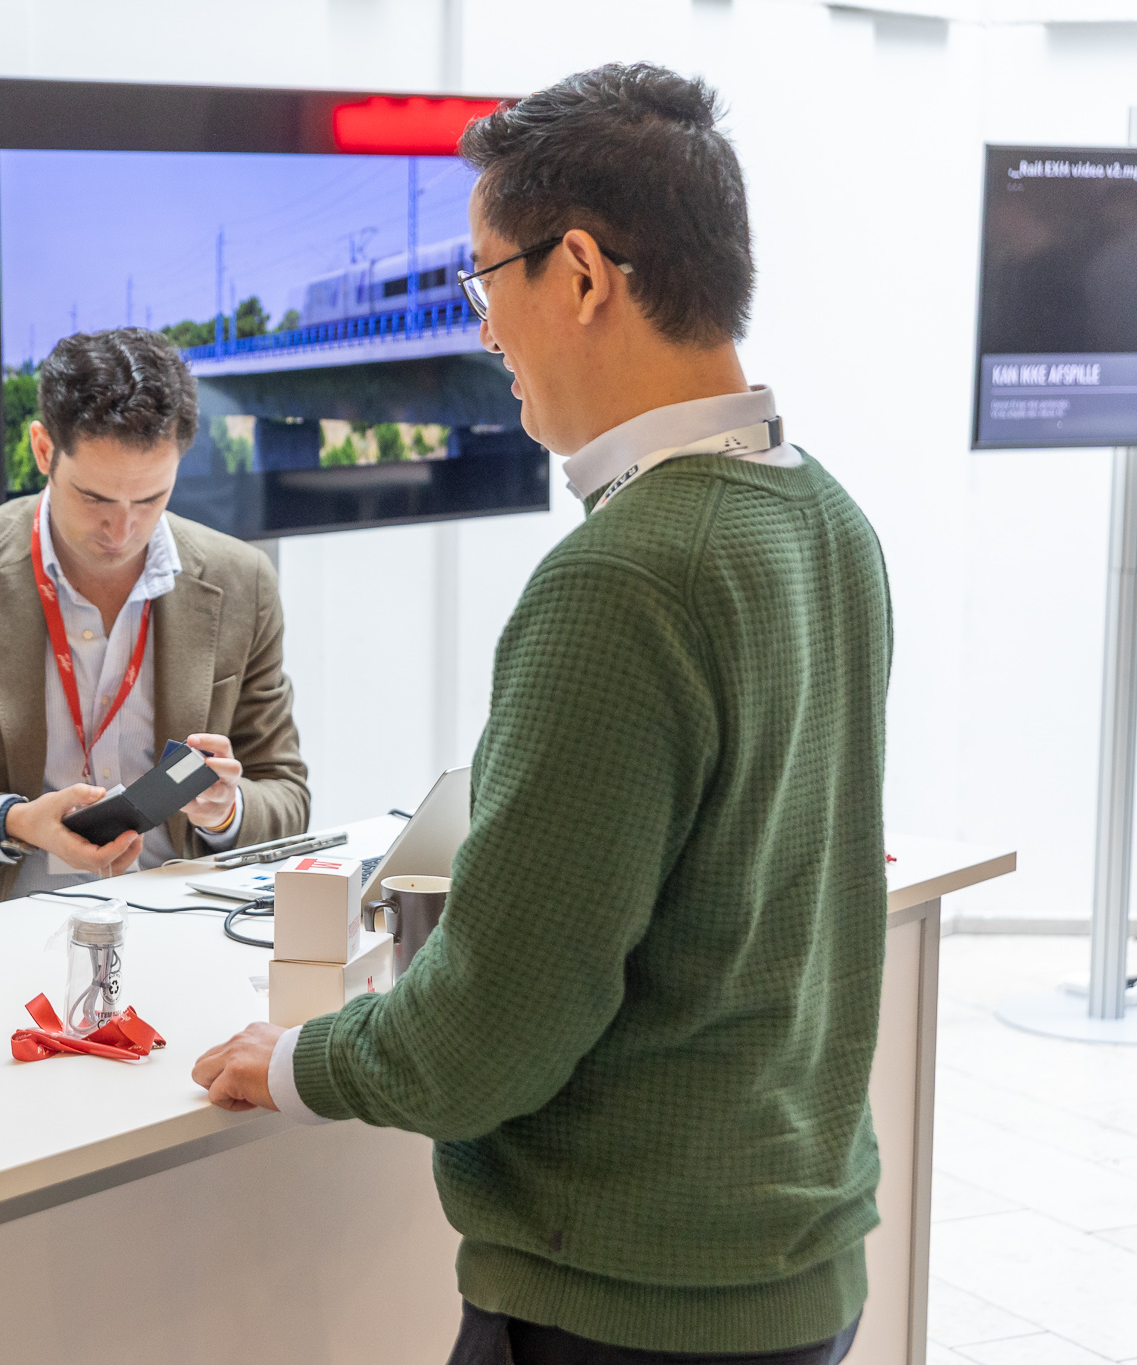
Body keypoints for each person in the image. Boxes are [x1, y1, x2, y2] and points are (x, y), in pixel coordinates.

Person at [194, 65, 889, 1364]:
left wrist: (295, 1060)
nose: (482, 333)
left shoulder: (622, 577)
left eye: (481, 282)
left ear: (577, 276)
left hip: (625, 1302)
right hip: (795, 1264)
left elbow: (488, 1037)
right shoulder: (827, 520)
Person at [0, 328, 309, 916]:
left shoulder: (241, 581)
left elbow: (287, 794)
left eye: (150, 499)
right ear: (43, 450)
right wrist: (13, 822)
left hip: (181, 917)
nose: (123, 530)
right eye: (94, 499)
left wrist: (226, 811)